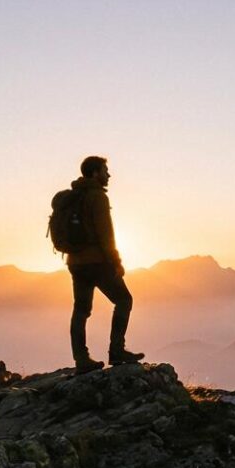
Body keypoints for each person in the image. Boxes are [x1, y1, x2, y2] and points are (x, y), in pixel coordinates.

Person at [66, 156, 143, 373]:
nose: (109, 174)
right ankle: (117, 351)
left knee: (81, 310)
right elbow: (105, 234)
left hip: (75, 263)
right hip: (97, 262)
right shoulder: (97, 197)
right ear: (94, 173)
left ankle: (81, 360)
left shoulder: (73, 196)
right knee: (124, 300)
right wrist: (116, 261)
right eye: (105, 170)